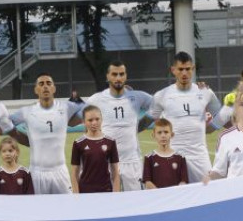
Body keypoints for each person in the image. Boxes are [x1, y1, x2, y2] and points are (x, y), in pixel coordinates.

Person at [150, 51, 222, 183]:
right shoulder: (162, 95)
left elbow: (221, 114)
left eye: (188, 69)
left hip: (200, 157)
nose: (184, 73)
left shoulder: (205, 92)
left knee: (207, 193)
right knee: (176, 196)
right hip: (173, 156)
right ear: (173, 70)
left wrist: (209, 128)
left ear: (193, 69)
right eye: (180, 69)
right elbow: (152, 119)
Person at [83, 60, 152, 191]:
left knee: (135, 203)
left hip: (132, 161)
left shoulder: (137, 96)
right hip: (105, 162)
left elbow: (158, 105)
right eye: (114, 74)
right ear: (107, 76)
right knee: (107, 204)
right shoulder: (96, 99)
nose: (118, 78)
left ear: (126, 76)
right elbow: (86, 122)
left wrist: (142, 124)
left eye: (121, 74)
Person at [8, 72, 83, 194]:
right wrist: (25, 140)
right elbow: (6, 123)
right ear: (36, 90)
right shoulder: (27, 111)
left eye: (48, 83)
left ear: (54, 88)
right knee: (37, 211)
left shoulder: (65, 108)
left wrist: (73, 120)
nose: (45, 86)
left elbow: (87, 110)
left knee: (66, 209)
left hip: (60, 172)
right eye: (41, 84)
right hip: (36, 173)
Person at [71, 105, 120, 193]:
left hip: (106, 190)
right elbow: (75, 173)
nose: (94, 123)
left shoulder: (110, 142)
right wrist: (76, 195)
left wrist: (116, 193)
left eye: (97, 119)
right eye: (90, 120)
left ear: (101, 119)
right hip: (85, 191)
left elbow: (115, 172)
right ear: (84, 122)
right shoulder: (78, 143)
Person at [143, 118, 188, 189]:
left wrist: (173, 194)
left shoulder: (180, 157)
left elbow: (184, 181)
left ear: (172, 134)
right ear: (153, 135)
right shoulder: (149, 157)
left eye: (166, 132)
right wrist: (161, 195)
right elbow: (147, 182)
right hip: (158, 198)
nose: (163, 135)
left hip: (175, 197)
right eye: (159, 132)